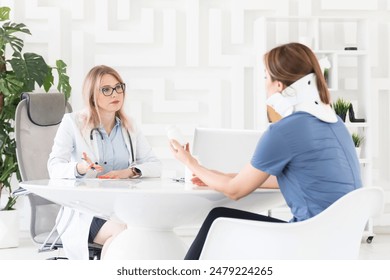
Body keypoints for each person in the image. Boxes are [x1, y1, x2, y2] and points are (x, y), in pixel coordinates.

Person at [170, 42, 362, 260]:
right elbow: (290, 180)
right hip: (338, 243)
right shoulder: (335, 122)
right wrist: (218, 176)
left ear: (279, 86)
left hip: (308, 240)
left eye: (265, 77)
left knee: (218, 218)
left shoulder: (285, 130)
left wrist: (190, 163)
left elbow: (235, 191)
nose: (264, 85)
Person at [48, 65, 162, 260]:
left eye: (119, 87)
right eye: (106, 89)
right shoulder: (73, 122)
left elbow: (155, 165)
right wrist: (80, 168)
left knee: (142, 233)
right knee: (125, 233)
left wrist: (130, 171)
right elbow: (54, 166)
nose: (115, 94)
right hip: (86, 211)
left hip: (122, 208)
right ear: (92, 95)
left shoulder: (129, 125)